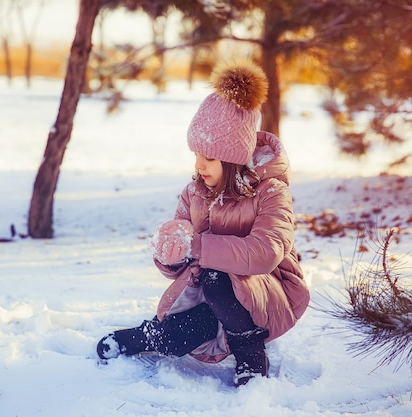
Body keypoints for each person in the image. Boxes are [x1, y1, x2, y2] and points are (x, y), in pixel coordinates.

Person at [96, 59, 310, 387]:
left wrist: (198, 246)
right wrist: (171, 253)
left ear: (233, 158)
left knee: (214, 275)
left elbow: (267, 251)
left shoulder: (271, 191)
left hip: (270, 291)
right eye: (196, 155)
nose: (199, 165)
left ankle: (250, 350)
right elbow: (182, 257)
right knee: (180, 336)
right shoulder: (196, 191)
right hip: (209, 295)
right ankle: (150, 336)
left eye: (208, 158)